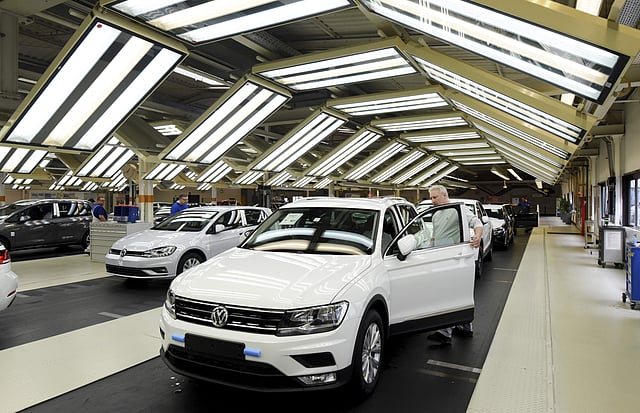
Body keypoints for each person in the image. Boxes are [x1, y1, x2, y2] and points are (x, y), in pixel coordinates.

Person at [426, 185, 483, 345]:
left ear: (444, 195)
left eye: (435, 197)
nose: (432, 200)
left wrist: (477, 236)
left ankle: (445, 333)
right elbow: (437, 234)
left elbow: (477, 223)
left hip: (455, 256)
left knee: (449, 294)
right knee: (457, 293)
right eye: (431, 198)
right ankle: (464, 328)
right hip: (441, 255)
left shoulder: (458, 209)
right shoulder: (436, 214)